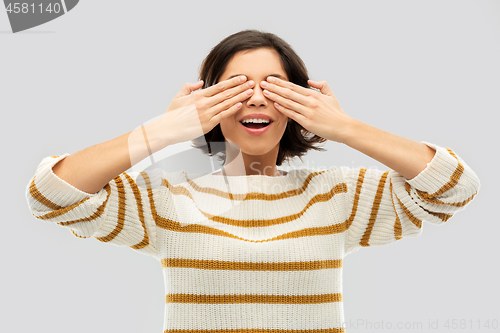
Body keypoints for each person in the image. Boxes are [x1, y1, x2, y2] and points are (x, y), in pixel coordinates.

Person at [26, 29, 480, 332]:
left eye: (275, 86)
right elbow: (50, 196)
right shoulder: (167, 200)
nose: (257, 98)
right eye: (237, 87)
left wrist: (344, 126)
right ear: (207, 102)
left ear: (300, 101)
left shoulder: (339, 195)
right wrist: (162, 131)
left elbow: (455, 187)